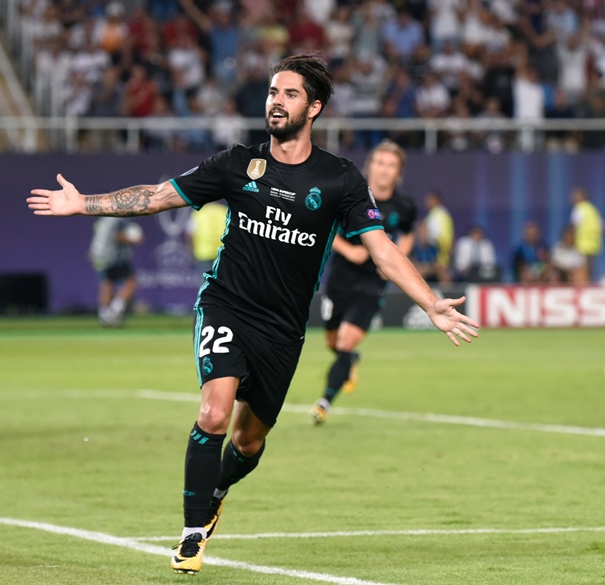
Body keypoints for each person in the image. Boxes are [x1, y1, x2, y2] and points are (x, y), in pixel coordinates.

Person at [27, 54, 479, 575]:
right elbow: (155, 197)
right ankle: (192, 534)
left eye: (289, 94)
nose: (276, 101)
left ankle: (218, 491)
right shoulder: (237, 163)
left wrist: (430, 302)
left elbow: (382, 250)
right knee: (214, 413)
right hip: (226, 304)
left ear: (315, 107)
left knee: (247, 440)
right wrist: (83, 203)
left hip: (283, 329)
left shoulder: (340, 180)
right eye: (271, 92)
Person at [309, 139, 416, 425]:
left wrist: (396, 258)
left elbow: (407, 233)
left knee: (344, 342)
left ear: (398, 173)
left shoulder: (404, 206)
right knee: (333, 342)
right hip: (341, 280)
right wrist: (349, 250)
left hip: (372, 284)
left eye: (390, 165)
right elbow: (326, 229)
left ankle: (324, 402)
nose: (383, 170)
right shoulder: (348, 196)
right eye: (379, 163)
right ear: (369, 167)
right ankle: (350, 360)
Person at [88, 216, 143, 326]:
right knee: (131, 282)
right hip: (113, 255)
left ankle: (104, 315)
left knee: (107, 283)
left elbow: (100, 233)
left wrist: (94, 251)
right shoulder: (118, 218)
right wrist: (132, 239)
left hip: (100, 255)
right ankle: (114, 312)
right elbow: (116, 235)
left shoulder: (105, 218)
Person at [570, 187, 603, 281]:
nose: (572, 199)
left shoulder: (579, 208)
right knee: (590, 270)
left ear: (582, 197)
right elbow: (600, 227)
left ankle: (582, 289)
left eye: (575, 196)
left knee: (581, 270)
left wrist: (572, 242)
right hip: (594, 245)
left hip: (582, 245)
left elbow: (574, 225)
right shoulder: (593, 210)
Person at [186, 200, 228, 274]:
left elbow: (190, 233)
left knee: (205, 282)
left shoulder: (199, 212)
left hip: (204, 254)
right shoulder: (224, 211)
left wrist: (191, 250)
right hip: (223, 253)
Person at [424, 190, 454, 273]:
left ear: (436, 200)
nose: (427, 202)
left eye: (429, 199)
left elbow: (437, 235)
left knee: (441, 271)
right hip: (439, 249)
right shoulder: (441, 213)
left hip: (438, 250)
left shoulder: (438, 214)